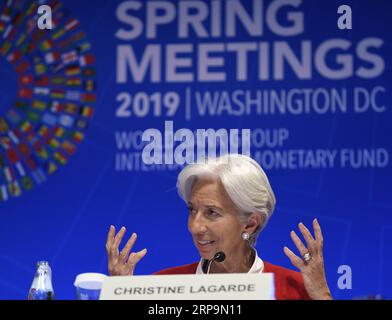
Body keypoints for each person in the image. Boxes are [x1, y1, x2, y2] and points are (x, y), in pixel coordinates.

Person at [106, 154, 332, 300]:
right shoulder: (163, 290)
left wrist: (321, 294)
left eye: (211, 213)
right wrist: (119, 295)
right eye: (192, 210)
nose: (195, 227)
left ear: (250, 223)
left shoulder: (294, 291)